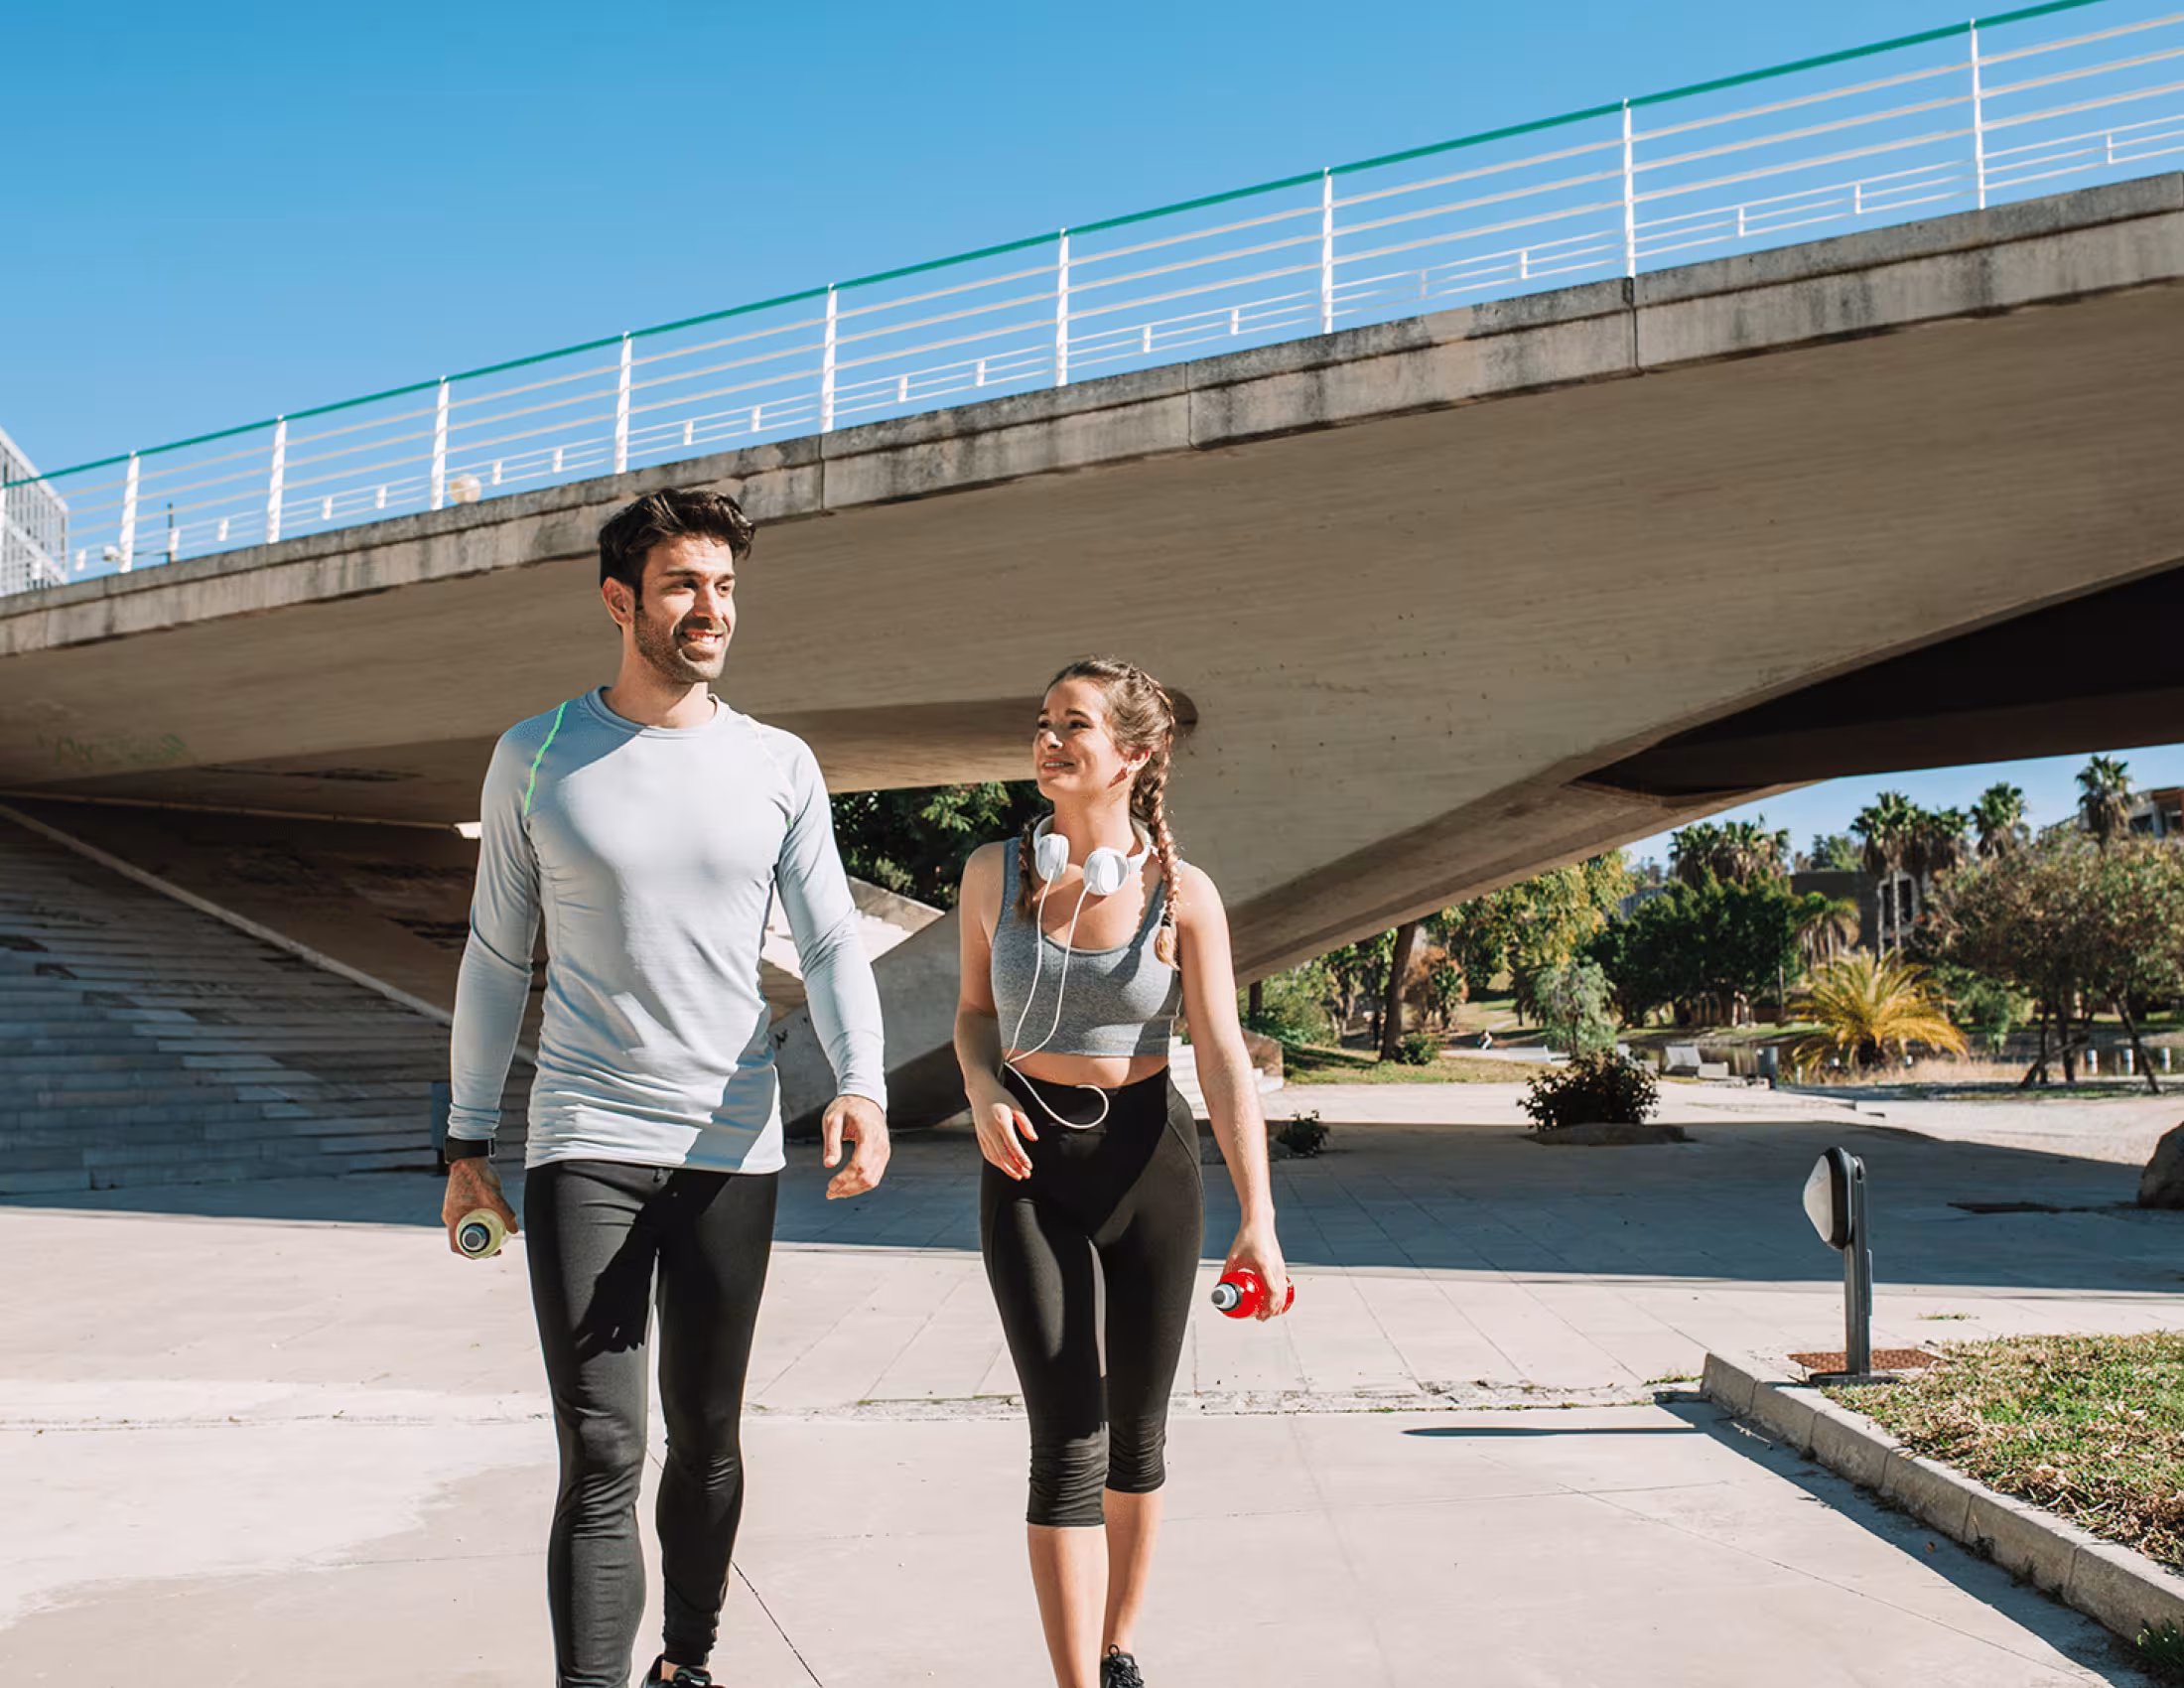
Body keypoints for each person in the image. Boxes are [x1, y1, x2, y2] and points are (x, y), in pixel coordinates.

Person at [439, 487, 890, 1688]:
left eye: (725, 586)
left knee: (708, 1441)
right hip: (584, 1129)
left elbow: (834, 939)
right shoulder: (535, 756)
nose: (711, 608)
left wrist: (864, 1083)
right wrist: (465, 1138)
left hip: (732, 1140)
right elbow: (495, 955)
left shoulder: (776, 763)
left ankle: (686, 1661)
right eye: (685, 584)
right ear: (619, 600)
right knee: (601, 1446)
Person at [952, 655, 1290, 1688]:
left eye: (1075, 725)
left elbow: (1225, 1056)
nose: (1049, 739)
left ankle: (1117, 1650)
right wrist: (980, 1089)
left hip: (1151, 1161)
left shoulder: (1183, 894)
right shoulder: (989, 871)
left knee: (1136, 1434)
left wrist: (1258, 1216)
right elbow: (971, 1015)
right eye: (1043, 719)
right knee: (1065, 1438)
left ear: (1134, 754)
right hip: (1025, 1164)